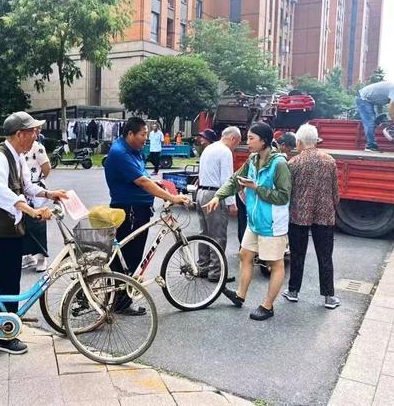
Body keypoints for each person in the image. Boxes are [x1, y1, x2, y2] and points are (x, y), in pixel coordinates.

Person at [0, 111, 67, 354]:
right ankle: (1, 337)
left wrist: (49, 194)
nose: (36, 136)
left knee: (10, 281)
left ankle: (6, 325)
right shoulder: (0, 156)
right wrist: (29, 209)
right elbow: (0, 191)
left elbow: (26, 186)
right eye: (33, 131)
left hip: (11, 229)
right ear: (20, 134)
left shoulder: (17, 156)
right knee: (6, 283)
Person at [205, 122, 291, 321]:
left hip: (271, 223)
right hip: (254, 221)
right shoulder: (252, 160)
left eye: (251, 138)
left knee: (275, 263)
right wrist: (218, 196)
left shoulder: (279, 164)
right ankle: (240, 295)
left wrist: (256, 187)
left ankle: (267, 306)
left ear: (264, 141)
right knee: (245, 255)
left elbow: (283, 196)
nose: (247, 142)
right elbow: (235, 180)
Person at [104, 117, 190, 315]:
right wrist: (171, 197)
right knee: (130, 257)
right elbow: (142, 181)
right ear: (130, 134)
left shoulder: (133, 150)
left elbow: (145, 177)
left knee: (128, 257)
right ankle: (121, 303)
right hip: (130, 210)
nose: (146, 138)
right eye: (143, 134)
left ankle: (119, 299)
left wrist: (160, 186)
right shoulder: (120, 152)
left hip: (138, 208)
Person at [282, 124, 341, 309]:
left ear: (299, 142)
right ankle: (329, 297)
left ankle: (293, 291)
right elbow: (335, 193)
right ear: (316, 141)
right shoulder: (329, 161)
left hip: (298, 215)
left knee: (297, 254)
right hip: (324, 216)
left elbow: (287, 192)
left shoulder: (293, 163)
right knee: (325, 256)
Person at [196, 127, 241, 282]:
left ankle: (203, 266)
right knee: (218, 235)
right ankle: (216, 272)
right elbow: (227, 180)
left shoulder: (208, 149)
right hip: (215, 194)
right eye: (238, 142)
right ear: (233, 138)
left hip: (201, 192)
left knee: (204, 233)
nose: (236, 146)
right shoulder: (225, 152)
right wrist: (231, 203)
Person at [21, 128, 52, 272]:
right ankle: (28, 255)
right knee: (25, 225)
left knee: (38, 225)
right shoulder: (19, 149)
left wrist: (39, 180)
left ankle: (41, 258)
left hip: (36, 189)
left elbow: (47, 168)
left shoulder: (38, 147)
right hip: (23, 190)